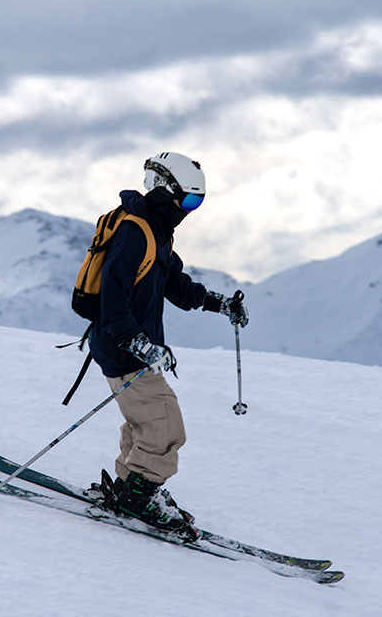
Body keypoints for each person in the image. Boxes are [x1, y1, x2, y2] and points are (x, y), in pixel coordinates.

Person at [88, 152, 249, 540]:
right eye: (189, 200)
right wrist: (140, 345)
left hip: (125, 345)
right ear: (163, 190)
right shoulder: (134, 234)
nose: (190, 210)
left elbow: (175, 284)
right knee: (166, 427)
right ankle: (138, 500)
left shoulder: (154, 229)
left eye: (198, 202)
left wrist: (219, 303)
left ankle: (130, 487)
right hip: (125, 346)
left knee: (145, 421)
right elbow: (113, 302)